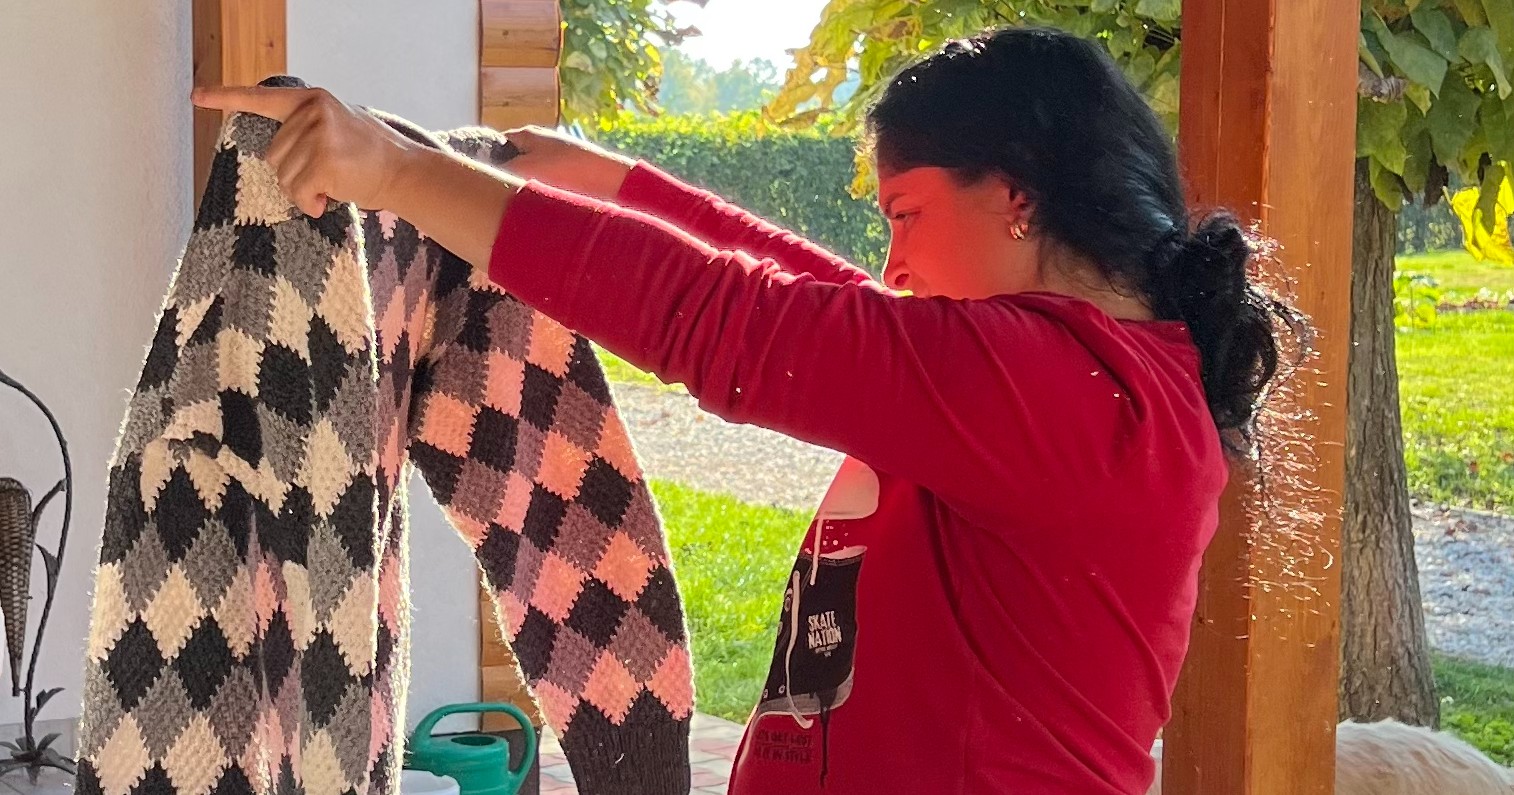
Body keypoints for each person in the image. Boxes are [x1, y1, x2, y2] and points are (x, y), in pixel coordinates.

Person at [194, 25, 1301, 795]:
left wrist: (391, 171)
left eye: (906, 214)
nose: (894, 262)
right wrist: (623, 187)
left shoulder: (1065, 395)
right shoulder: (1077, 382)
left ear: (1015, 194)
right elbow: (826, 303)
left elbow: (739, 323)